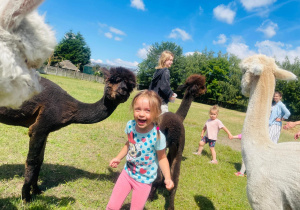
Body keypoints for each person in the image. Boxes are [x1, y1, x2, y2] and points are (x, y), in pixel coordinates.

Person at [106, 90, 174, 210]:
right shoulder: (131, 126)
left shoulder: (157, 136)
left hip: (144, 181)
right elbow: (129, 144)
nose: (141, 114)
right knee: (112, 206)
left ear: (157, 113)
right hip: (127, 174)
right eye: (138, 109)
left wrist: (167, 178)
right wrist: (118, 157)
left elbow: (162, 158)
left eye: (147, 110)